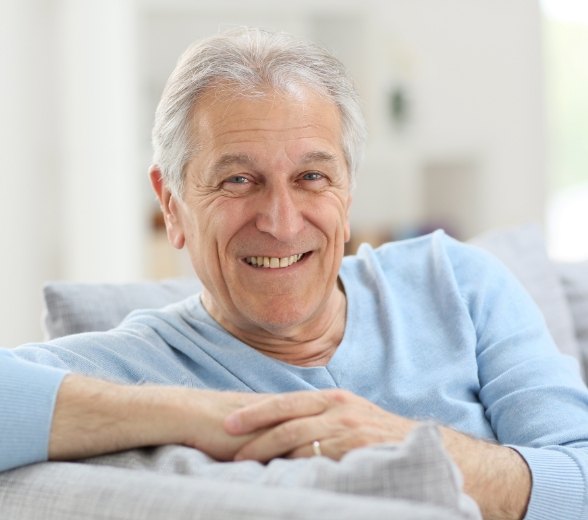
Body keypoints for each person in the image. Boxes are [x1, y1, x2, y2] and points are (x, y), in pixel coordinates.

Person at [1, 27, 587, 520]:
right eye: (237, 180)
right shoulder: (130, 365)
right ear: (171, 203)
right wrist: (203, 417)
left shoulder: (455, 281)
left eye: (312, 177)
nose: (281, 223)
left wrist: (411, 450)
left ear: (349, 190)